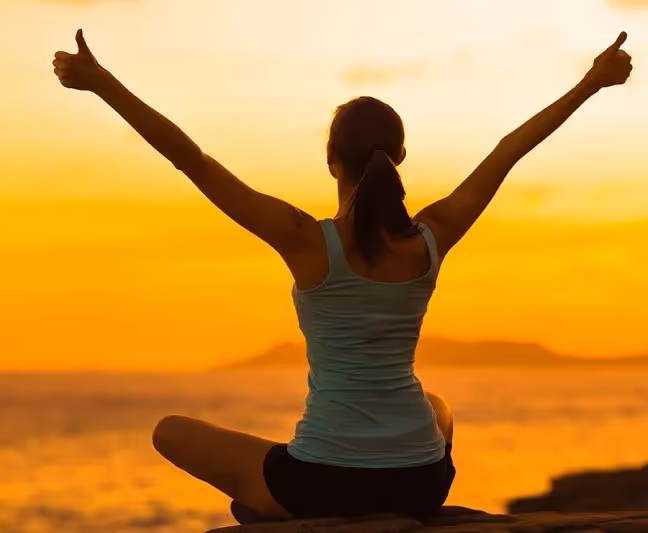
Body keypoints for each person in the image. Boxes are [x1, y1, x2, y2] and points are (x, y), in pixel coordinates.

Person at [52, 29, 632, 522]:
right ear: (400, 158)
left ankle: (270, 496)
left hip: (319, 483)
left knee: (169, 431)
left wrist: (101, 83)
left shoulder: (305, 240)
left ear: (331, 159)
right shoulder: (431, 237)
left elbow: (192, 160)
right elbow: (510, 150)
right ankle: (290, 483)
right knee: (436, 404)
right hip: (422, 486)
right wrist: (592, 81)